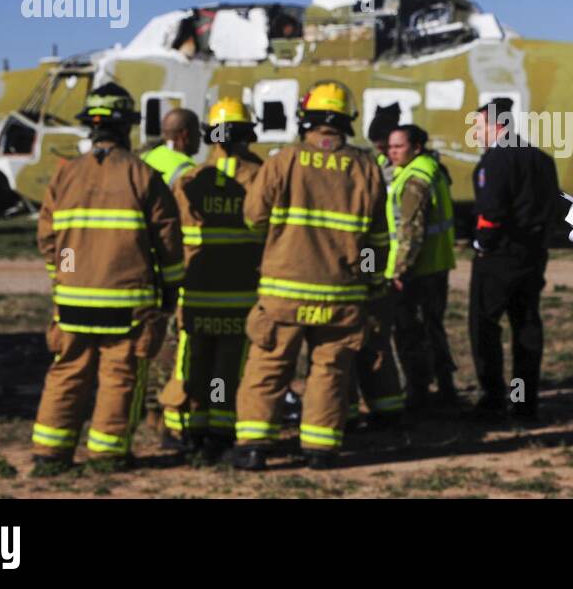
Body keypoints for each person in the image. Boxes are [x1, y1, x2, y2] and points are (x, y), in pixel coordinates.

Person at [230, 81, 387, 470]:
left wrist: (280, 243)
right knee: (330, 370)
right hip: (340, 293)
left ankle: (253, 448)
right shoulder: (366, 167)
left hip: (283, 292)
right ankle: (320, 450)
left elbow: (253, 219)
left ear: (307, 119)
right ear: (347, 121)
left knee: (268, 366)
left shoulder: (283, 161)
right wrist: (368, 281)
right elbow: (376, 241)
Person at [30, 82, 183, 472]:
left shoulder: (65, 176)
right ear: (126, 127)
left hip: (73, 301)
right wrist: (168, 293)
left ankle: (49, 454)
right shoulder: (143, 176)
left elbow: (50, 239)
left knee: (66, 372)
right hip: (126, 304)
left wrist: (66, 277)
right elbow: (167, 244)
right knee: (120, 375)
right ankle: (108, 455)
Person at [158, 98, 265, 460]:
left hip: (196, 292)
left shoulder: (190, 179)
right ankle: (221, 428)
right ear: (247, 135)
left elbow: (173, 235)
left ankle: (186, 427)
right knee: (226, 367)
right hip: (241, 295)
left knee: (191, 361)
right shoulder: (261, 178)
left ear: (211, 137)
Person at [467, 98, 560, 420]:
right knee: (525, 327)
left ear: (497, 126)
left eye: (479, 127)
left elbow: (491, 212)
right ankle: (523, 400)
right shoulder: (542, 159)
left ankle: (492, 397)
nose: (476, 134)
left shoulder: (495, 161)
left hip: (498, 258)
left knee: (485, 326)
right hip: (532, 256)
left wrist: (482, 244)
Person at [386, 124, 458, 409]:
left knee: (411, 333)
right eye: (391, 146)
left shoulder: (415, 180)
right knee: (434, 329)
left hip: (417, 270)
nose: (392, 152)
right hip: (437, 265)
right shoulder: (433, 168)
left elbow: (410, 233)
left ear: (416, 147)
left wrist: (400, 270)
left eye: (398, 146)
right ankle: (445, 387)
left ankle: (418, 392)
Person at [345, 103, 406, 429]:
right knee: (373, 343)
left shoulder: (365, 170)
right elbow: (376, 239)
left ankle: (351, 413)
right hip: (366, 272)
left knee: (341, 350)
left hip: (346, 276)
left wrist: (371, 274)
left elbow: (374, 237)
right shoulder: (369, 168)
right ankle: (387, 409)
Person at [143, 108, 200, 187]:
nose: (200, 136)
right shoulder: (189, 172)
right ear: (185, 134)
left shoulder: (145, 156)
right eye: (197, 131)